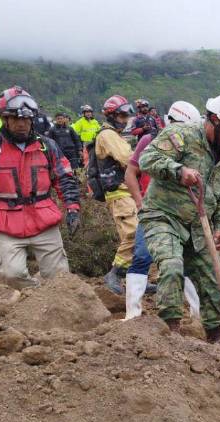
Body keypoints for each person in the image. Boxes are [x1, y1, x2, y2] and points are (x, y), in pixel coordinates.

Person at [139, 92, 220, 342]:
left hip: (198, 227)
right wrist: (178, 171)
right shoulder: (182, 134)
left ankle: (215, 338)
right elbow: (147, 159)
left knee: (213, 281)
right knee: (171, 266)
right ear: (213, 120)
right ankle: (171, 334)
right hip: (164, 216)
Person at [0, 86, 80, 288]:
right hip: (8, 223)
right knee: (11, 276)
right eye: (16, 119)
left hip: (45, 221)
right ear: (4, 119)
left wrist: (72, 209)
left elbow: (65, 178)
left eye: (26, 119)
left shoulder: (47, 146)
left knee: (60, 277)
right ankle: (34, 297)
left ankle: (51, 303)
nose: (22, 124)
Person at [121, 100, 202, 319]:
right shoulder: (149, 140)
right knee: (142, 256)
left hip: (182, 213)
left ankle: (197, 317)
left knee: (185, 262)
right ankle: (133, 314)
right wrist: (139, 202)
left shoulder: (193, 146)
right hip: (154, 211)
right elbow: (130, 173)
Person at [94, 95, 139, 294]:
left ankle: (135, 281)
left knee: (136, 239)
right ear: (111, 115)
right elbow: (127, 158)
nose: (125, 119)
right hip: (119, 193)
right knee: (135, 234)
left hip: (126, 192)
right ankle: (114, 273)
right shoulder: (107, 135)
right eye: (121, 116)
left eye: (126, 116)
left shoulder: (115, 135)